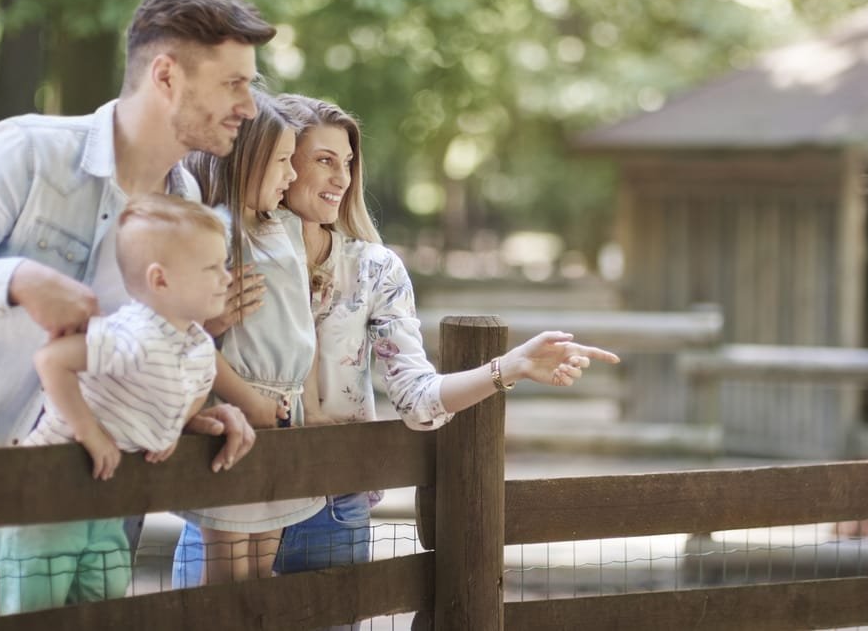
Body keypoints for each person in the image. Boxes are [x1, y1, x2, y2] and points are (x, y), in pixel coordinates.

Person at [0, 0, 269, 631]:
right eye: (234, 84)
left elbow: (137, 348)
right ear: (167, 76)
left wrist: (183, 407)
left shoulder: (189, 205)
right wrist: (17, 278)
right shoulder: (28, 152)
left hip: (76, 522)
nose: (249, 105)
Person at [172, 94, 620, 623]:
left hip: (333, 506)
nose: (342, 177)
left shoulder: (374, 270)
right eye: (323, 159)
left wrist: (511, 367)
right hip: (228, 481)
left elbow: (417, 397)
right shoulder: (221, 246)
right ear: (280, 159)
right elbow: (173, 344)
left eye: (347, 162)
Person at [0, 193, 229, 614]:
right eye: (212, 268)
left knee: (105, 601)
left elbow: (186, 391)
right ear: (160, 280)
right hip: (45, 500)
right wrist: (90, 432)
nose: (226, 278)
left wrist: (173, 429)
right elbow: (51, 360)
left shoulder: (198, 347)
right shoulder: (129, 334)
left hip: (105, 506)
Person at [174, 91, 326, 584]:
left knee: (262, 570)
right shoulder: (217, 231)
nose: (291, 174)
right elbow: (193, 337)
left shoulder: (278, 226)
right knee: (228, 577)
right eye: (282, 161)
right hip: (239, 412)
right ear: (246, 160)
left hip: (284, 412)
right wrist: (250, 403)